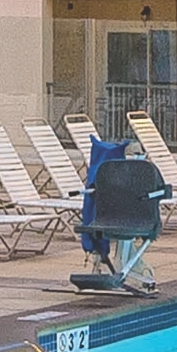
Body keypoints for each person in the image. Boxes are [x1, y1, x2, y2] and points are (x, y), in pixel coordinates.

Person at [72, 120, 167, 295]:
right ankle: (121, 269)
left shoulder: (107, 172)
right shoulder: (114, 174)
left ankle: (122, 269)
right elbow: (163, 191)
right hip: (115, 219)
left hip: (133, 220)